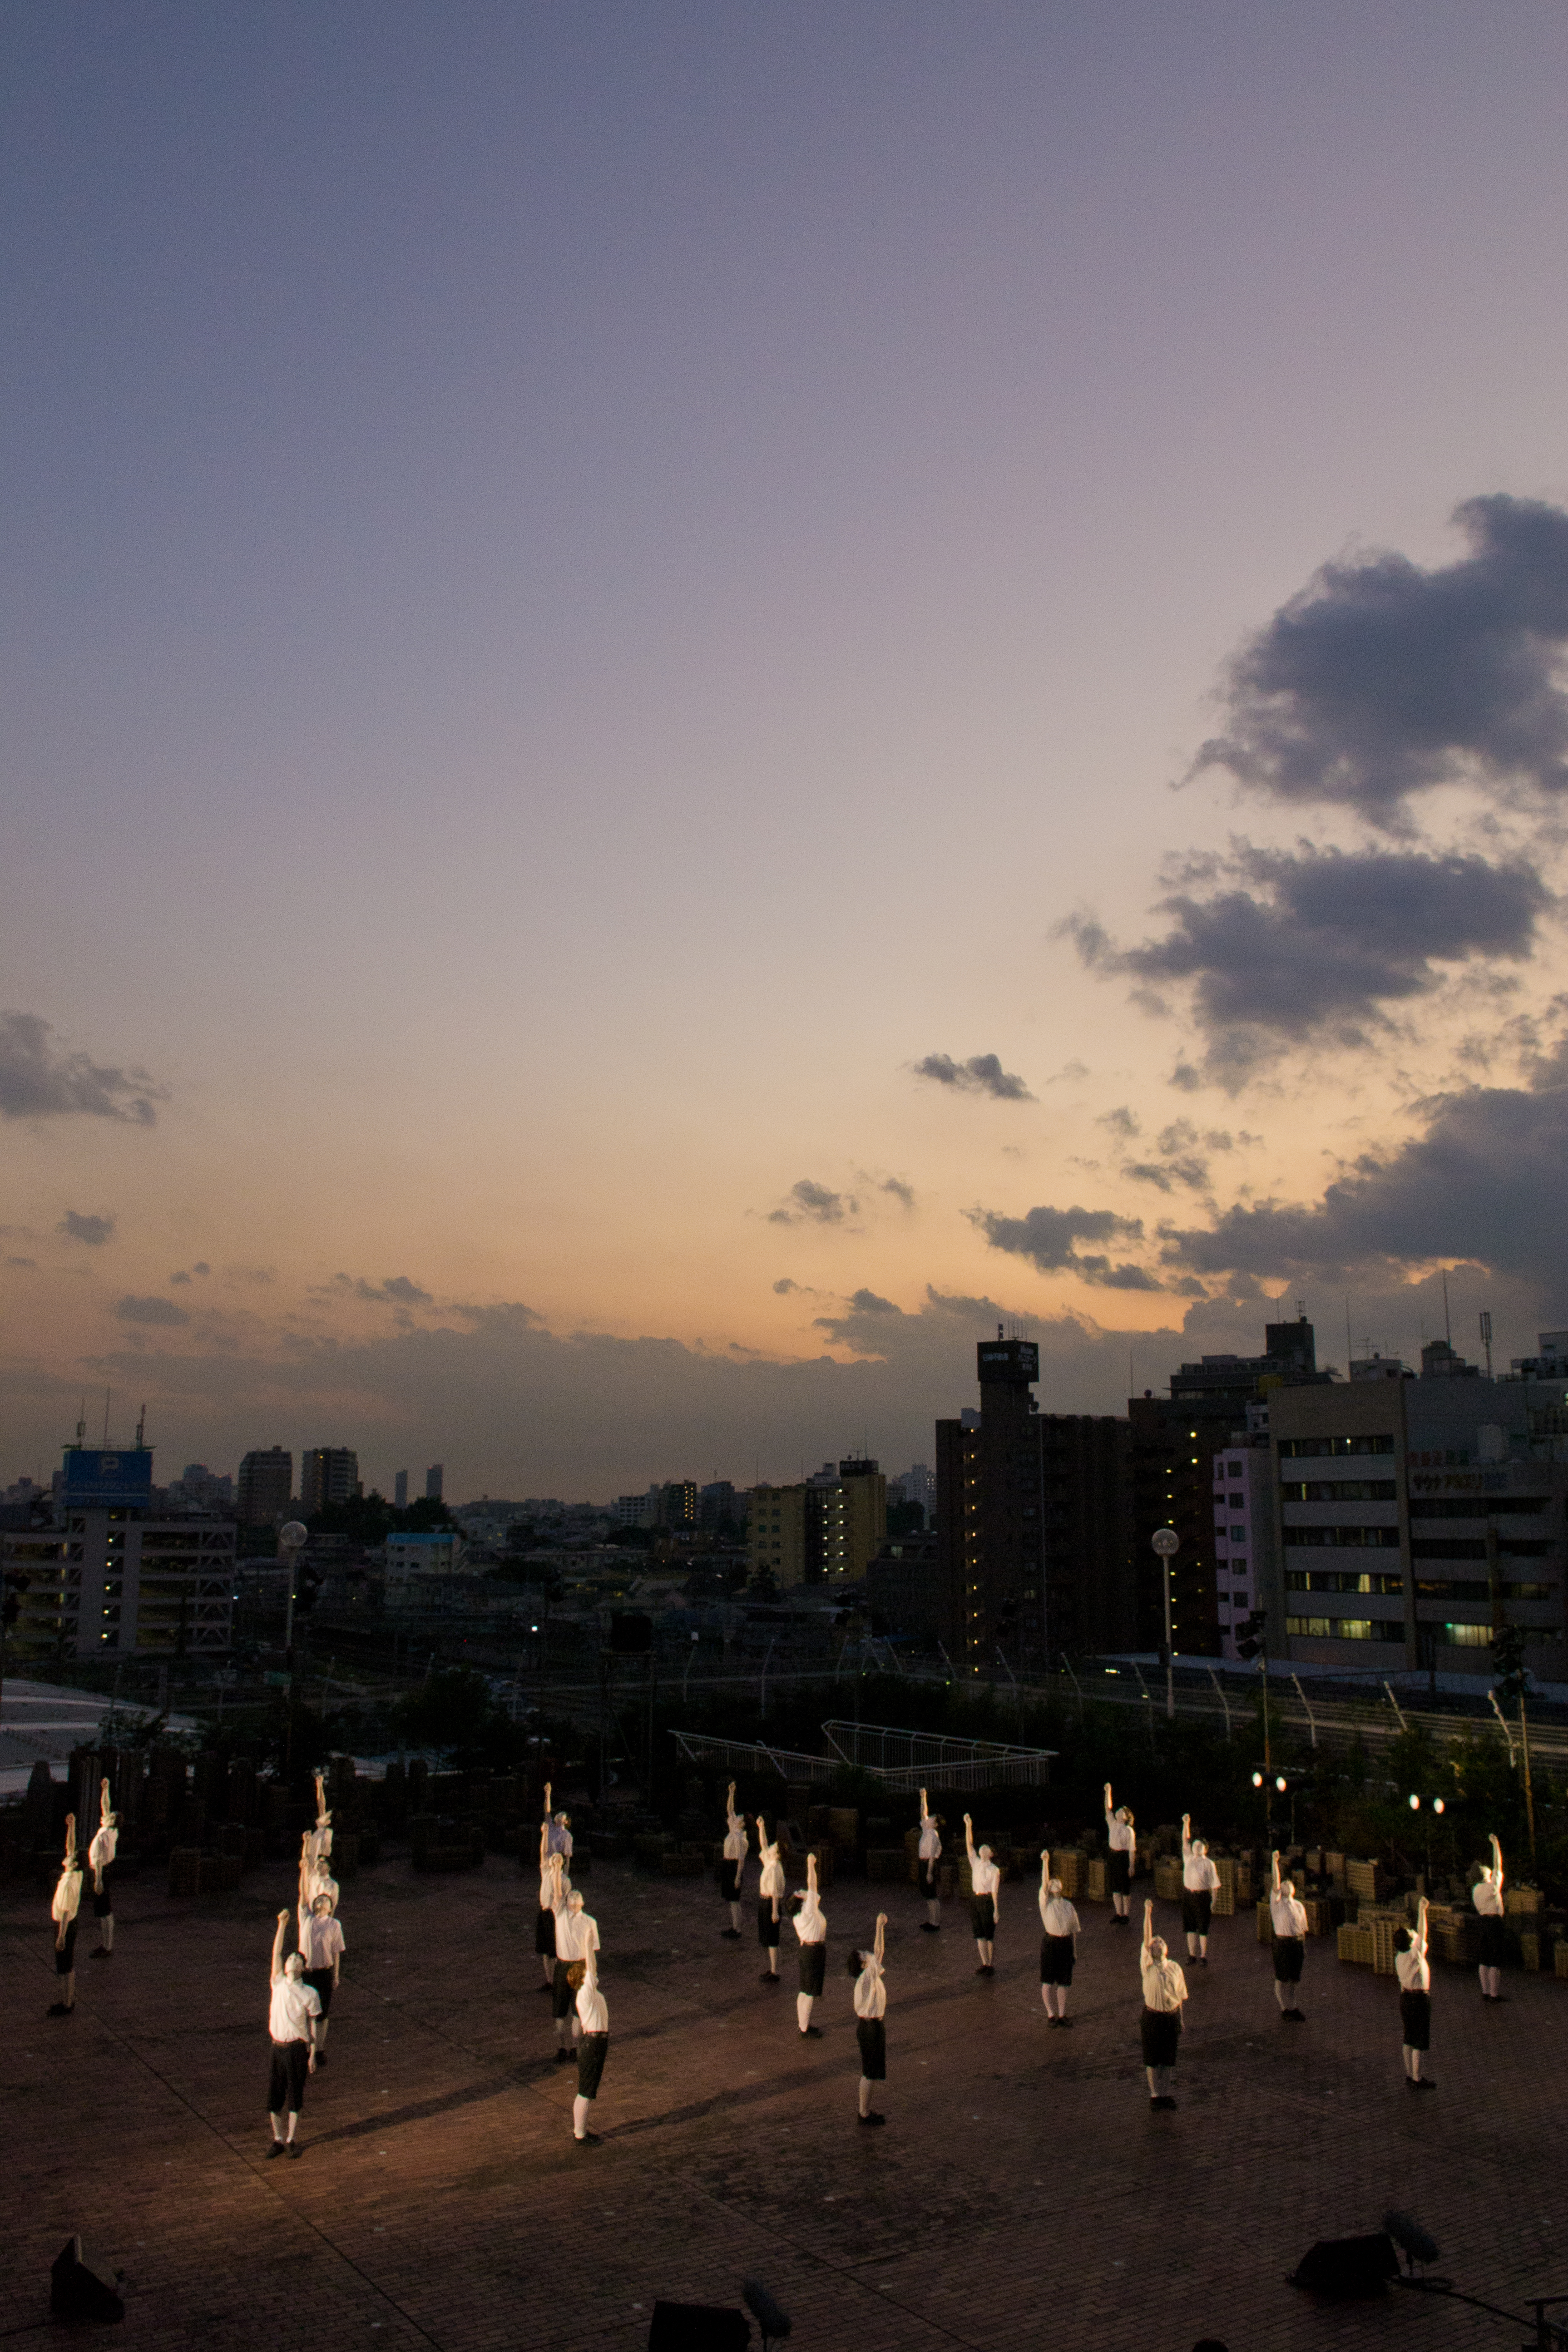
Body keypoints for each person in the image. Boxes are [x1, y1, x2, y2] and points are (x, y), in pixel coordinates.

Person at [267, 1907, 321, 2155]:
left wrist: (313, 2053)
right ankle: (278, 2138)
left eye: (297, 1960)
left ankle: (291, 2139)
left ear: (303, 1968)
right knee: (274, 2095)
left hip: (296, 2048)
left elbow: (314, 2023)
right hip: (277, 2046)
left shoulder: (310, 1993)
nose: (291, 1960)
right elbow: (276, 1952)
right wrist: (282, 1925)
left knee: (295, 2094)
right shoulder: (278, 1982)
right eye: (291, 1959)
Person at [297, 1841, 346, 2062]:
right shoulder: (306, 1918)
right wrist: (303, 1869)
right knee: (307, 2012)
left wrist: (336, 1975)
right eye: (320, 1899)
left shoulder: (334, 1925)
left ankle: (320, 2049)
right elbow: (303, 1892)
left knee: (323, 2013)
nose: (322, 1900)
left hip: (324, 1972)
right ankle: (307, 2047)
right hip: (307, 1971)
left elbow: (337, 1951)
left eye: (326, 1900)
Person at [1140, 1897, 1187, 2108]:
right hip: (1152, 2016)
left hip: (1171, 2016)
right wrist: (1147, 1914)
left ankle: (1165, 2094)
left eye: (1160, 1941)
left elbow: (1180, 1996)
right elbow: (1147, 1937)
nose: (1156, 1943)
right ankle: (1155, 2094)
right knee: (1152, 2057)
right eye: (1154, 1942)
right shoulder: (1148, 1965)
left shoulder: (1176, 1968)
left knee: (1168, 2058)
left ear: (1166, 1948)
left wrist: (1181, 2020)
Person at [552, 1862, 600, 2063]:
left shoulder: (561, 1915)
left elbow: (556, 1894)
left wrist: (556, 1870)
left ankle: (563, 2048)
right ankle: (574, 2048)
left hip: (563, 1966)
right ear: (582, 1904)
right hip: (580, 1966)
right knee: (577, 2011)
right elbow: (592, 1952)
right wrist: (593, 1974)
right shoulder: (590, 1922)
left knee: (560, 2011)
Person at [849, 1913, 888, 2126]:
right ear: (863, 1964)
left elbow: (877, 1954)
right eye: (864, 1955)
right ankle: (864, 2113)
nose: (868, 1955)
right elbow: (879, 1951)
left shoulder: (866, 1978)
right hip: (871, 2027)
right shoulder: (868, 1976)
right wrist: (879, 1926)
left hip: (871, 2026)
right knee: (869, 2071)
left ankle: (865, 2110)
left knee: (871, 2071)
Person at [1395, 1898, 1435, 2090]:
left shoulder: (1399, 1957)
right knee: (1419, 2038)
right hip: (1419, 1999)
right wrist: (1422, 1910)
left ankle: (1410, 2074)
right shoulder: (1414, 1954)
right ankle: (1418, 2079)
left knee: (1408, 2036)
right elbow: (1423, 1931)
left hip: (1405, 1998)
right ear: (1411, 1942)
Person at [1038, 1850, 1081, 2026]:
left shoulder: (1068, 1905)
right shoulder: (1046, 1902)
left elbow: (1073, 1931)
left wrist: (1074, 1952)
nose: (1054, 1884)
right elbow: (1044, 1883)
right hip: (1051, 1943)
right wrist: (1045, 1862)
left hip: (1065, 1944)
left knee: (1064, 1982)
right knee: (1047, 1981)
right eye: (1052, 1884)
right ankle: (1050, 2014)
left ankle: (1062, 2015)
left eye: (1057, 1883)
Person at [571, 1952, 609, 2145]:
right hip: (593, 2044)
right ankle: (580, 2134)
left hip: (596, 2043)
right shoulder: (585, 1993)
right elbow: (592, 1966)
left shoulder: (590, 1994)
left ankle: (580, 2130)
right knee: (586, 2091)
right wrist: (587, 1946)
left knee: (587, 2089)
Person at [48, 1814, 82, 2017]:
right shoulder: (74, 1873)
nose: (68, 1854)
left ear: (74, 1864)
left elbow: (66, 1912)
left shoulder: (70, 1882)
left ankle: (67, 2002)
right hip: (67, 1924)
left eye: (71, 1857)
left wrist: (61, 1935)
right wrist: (72, 1826)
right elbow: (71, 1847)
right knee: (64, 1965)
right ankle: (67, 2000)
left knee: (66, 1965)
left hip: (65, 1926)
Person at [1269, 1851, 1307, 2022]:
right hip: (1282, 1943)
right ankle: (1284, 2007)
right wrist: (1275, 1862)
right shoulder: (1277, 1904)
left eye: (1288, 1882)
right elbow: (1276, 1884)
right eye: (1284, 1883)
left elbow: (1303, 1927)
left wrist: (1302, 1943)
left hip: (1297, 1942)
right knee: (1282, 1976)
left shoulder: (1298, 1905)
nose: (1286, 1884)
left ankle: (1294, 2006)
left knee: (1294, 1978)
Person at [794, 1850, 828, 2036]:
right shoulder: (809, 1911)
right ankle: (805, 2028)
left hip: (807, 1951)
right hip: (814, 1952)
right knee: (809, 1992)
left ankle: (803, 2024)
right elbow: (813, 1884)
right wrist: (810, 1865)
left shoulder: (799, 1916)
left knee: (804, 1990)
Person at [1181, 1814, 1219, 1964]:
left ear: (1206, 1849)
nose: (1196, 1847)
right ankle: (1192, 1955)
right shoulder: (1188, 1858)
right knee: (1190, 1927)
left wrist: (1214, 1901)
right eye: (1195, 1845)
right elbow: (1185, 1840)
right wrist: (1186, 1824)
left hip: (1202, 1897)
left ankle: (1203, 1955)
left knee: (1203, 1927)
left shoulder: (1209, 1864)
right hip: (1188, 1895)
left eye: (1200, 1846)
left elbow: (1214, 1885)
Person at [536, 1812, 567, 1990]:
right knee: (545, 1951)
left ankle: (558, 1982)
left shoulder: (564, 1880)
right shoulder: (546, 1872)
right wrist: (545, 1834)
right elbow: (543, 1852)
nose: (551, 1861)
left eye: (555, 1860)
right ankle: (550, 1981)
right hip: (544, 1912)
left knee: (555, 1951)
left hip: (554, 1915)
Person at [1473, 1833, 1506, 2003]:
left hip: (1482, 1922)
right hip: (1494, 1922)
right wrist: (1495, 1844)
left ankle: (1485, 1991)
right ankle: (1494, 1994)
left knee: (1484, 1958)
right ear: (1485, 1874)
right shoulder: (1491, 1887)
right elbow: (1498, 1864)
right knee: (1495, 1958)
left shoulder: (1476, 1890)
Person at [964, 1815, 999, 1974]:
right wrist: (968, 1826)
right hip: (975, 1898)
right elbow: (969, 1845)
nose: (984, 1848)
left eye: (988, 1848)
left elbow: (995, 1890)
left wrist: (996, 1910)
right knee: (978, 1933)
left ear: (991, 1854)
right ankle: (984, 1963)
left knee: (988, 1934)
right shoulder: (976, 1863)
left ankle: (990, 1964)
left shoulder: (994, 1870)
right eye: (983, 1847)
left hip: (987, 1900)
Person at [87, 1780, 118, 1959]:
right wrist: (105, 1789)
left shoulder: (104, 1836)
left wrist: (98, 1881)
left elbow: (98, 1860)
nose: (106, 1814)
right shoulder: (111, 1830)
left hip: (102, 1873)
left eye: (110, 1815)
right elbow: (106, 1806)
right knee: (106, 1911)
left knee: (104, 1912)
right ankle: (107, 1944)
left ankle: (107, 1946)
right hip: (105, 1871)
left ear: (111, 1820)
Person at [757, 1817, 784, 1983]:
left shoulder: (774, 1868)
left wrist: (774, 1911)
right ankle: (774, 1968)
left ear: (778, 1854)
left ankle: (775, 1971)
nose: (772, 1847)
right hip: (765, 1902)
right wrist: (762, 1826)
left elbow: (775, 1892)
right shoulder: (770, 1861)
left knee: (773, 1939)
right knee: (770, 1938)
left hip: (770, 1904)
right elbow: (764, 1844)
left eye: (775, 1847)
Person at [1104, 1782, 1135, 1923]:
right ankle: (1118, 1913)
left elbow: (1132, 1850)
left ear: (1126, 1817)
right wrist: (1108, 1792)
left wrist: (1132, 1865)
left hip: (1123, 1857)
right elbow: (1107, 1808)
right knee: (1115, 1887)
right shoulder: (1112, 1823)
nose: (1118, 1812)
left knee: (1125, 1887)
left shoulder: (1129, 1831)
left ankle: (1126, 1914)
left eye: (1122, 1812)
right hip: (1113, 1856)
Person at [720, 1782, 748, 1939]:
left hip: (733, 1867)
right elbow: (730, 1809)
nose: (736, 1817)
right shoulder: (733, 1830)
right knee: (732, 1900)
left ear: (742, 1824)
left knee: (735, 1901)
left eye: (739, 1818)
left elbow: (741, 1860)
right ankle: (735, 1927)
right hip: (728, 1865)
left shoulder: (739, 1837)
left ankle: (737, 1929)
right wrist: (731, 1792)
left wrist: (738, 1876)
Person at [917, 1788, 942, 1931]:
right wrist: (923, 1797)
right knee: (928, 1895)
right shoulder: (927, 1830)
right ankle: (932, 1921)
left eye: (932, 1819)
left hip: (929, 1864)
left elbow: (932, 1856)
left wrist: (929, 1872)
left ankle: (936, 1923)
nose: (929, 1818)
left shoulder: (933, 1835)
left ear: (936, 1824)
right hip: (924, 1863)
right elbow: (923, 1812)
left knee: (932, 1896)